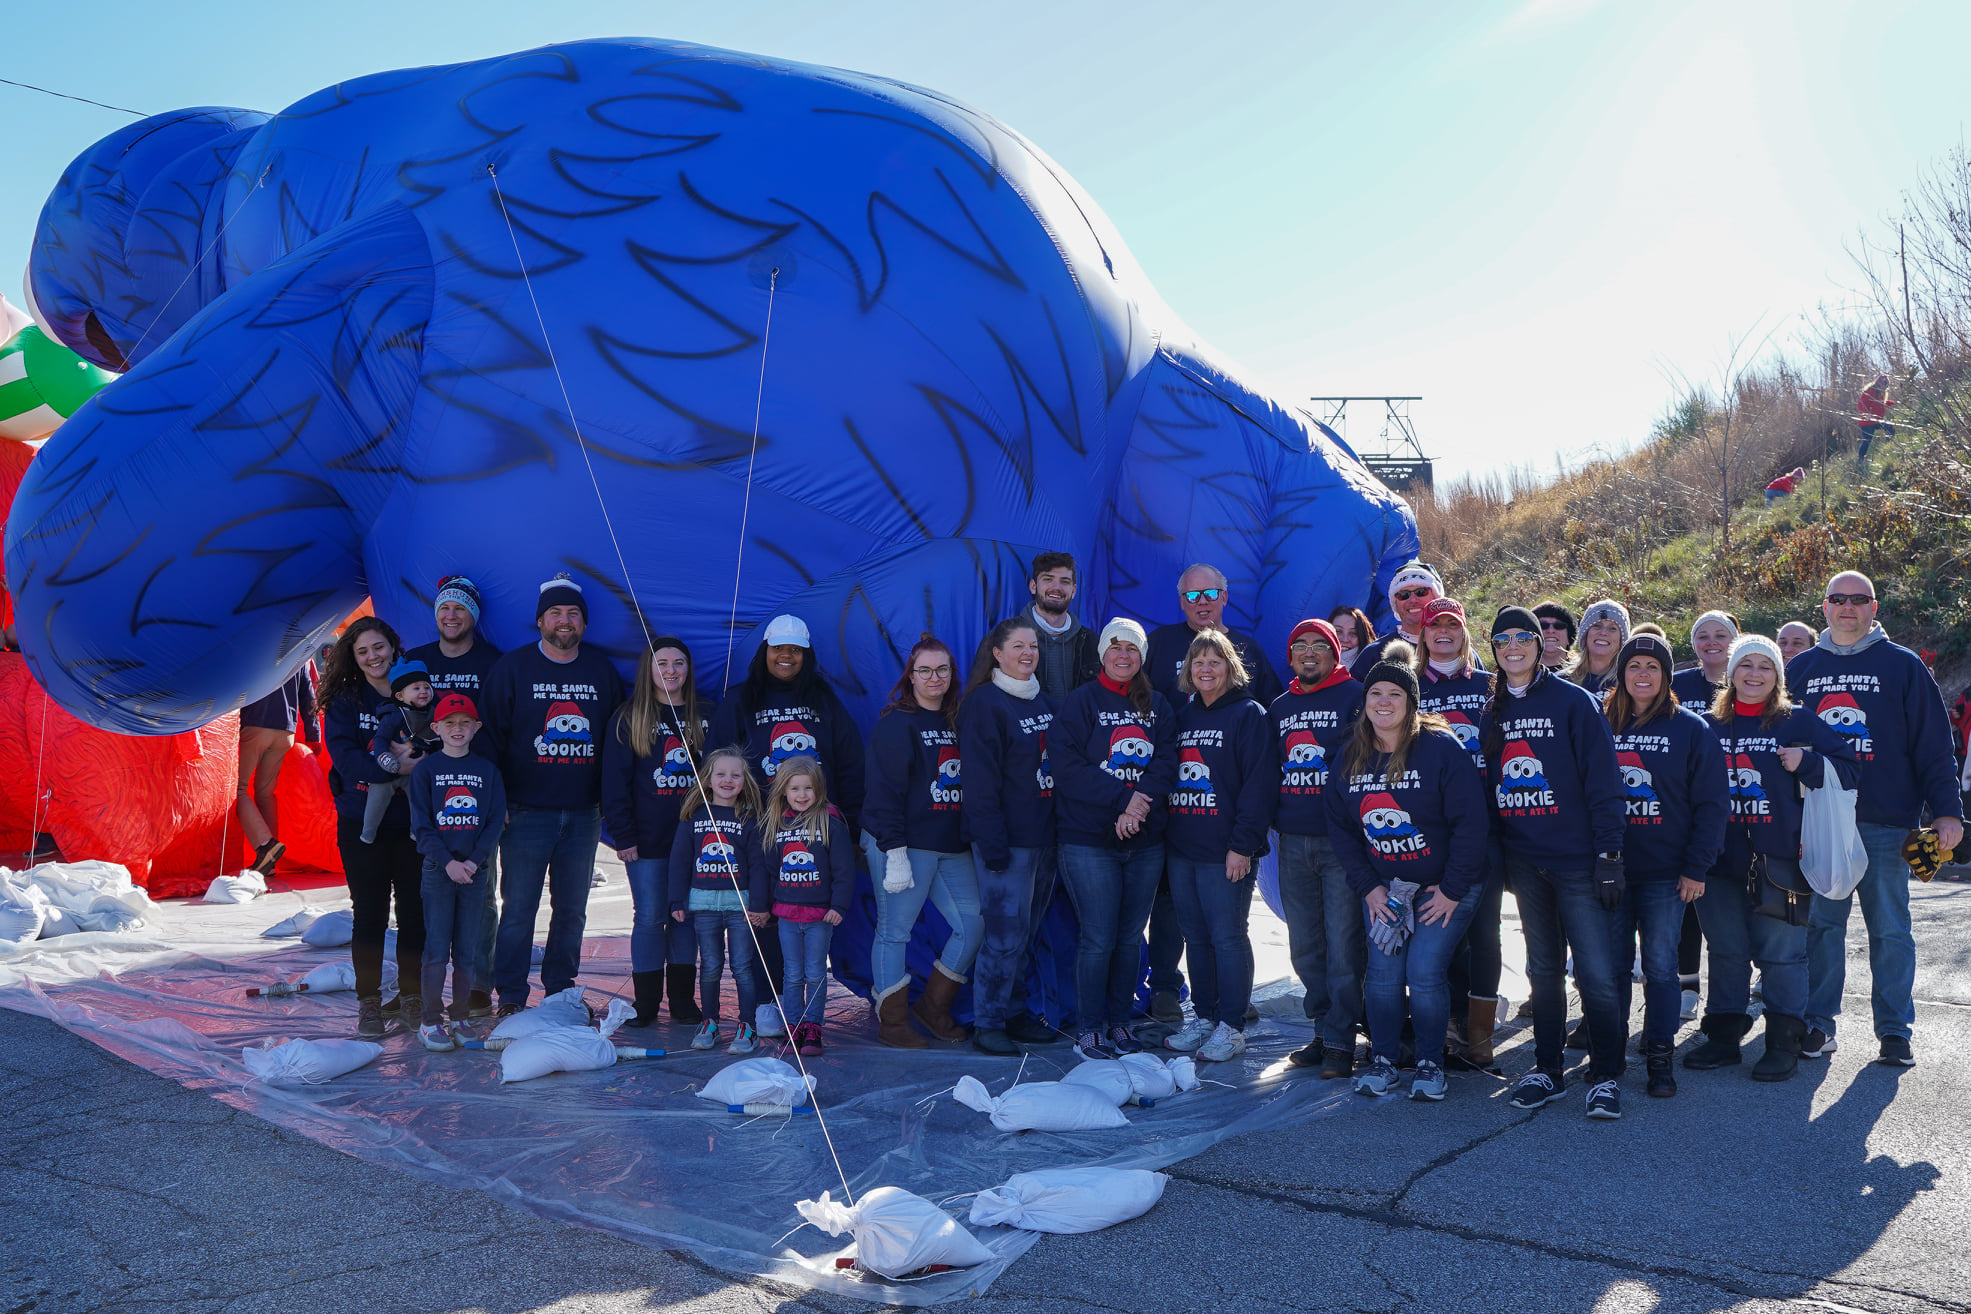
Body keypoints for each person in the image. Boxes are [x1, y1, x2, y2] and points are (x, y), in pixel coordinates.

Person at [1789, 571, 1964, 1066]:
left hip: (1886, 822)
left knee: (1890, 929)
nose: (1848, 607)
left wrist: (1948, 811)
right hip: (1820, 820)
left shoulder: (1903, 666)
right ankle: (1818, 1024)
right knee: (1822, 927)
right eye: (1838, 599)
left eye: (1858, 599)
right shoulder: (1801, 667)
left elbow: (1934, 746)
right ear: (1824, 607)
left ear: (1874, 606)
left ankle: (1894, 1031)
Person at [1687, 636, 1859, 1080]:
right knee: (1725, 951)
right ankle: (1723, 1038)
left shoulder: (1797, 720)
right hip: (1718, 861)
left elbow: (1852, 769)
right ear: (1731, 673)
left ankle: (1783, 1041)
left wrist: (1808, 761)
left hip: (1781, 860)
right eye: (1747, 665)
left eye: (1766, 667)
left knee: (1782, 956)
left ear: (1778, 677)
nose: (1755, 674)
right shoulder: (1706, 725)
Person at [1480, 607, 1627, 1119]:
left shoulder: (1575, 702)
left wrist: (1609, 855)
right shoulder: (1493, 708)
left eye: (1525, 637)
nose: (1514, 646)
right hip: (1526, 861)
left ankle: (1606, 1075)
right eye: (1503, 639)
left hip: (1580, 862)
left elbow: (1605, 783)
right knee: (1542, 971)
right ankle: (1548, 1068)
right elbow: (1491, 788)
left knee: (1596, 973)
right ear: (1494, 648)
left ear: (1542, 645)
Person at [1324, 644, 1489, 1101]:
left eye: (1394, 694)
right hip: (1387, 890)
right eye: (1374, 693)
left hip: (1447, 886)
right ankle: (1383, 1059)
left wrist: (1453, 890)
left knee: (1424, 969)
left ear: (1411, 703)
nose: (1382, 701)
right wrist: (1371, 889)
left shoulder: (1440, 748)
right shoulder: (1351, 755)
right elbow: (1341, 829)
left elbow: (1471, 825)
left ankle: (1431, 1064)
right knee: (1381, 974)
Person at [710, 613, 866, 1038]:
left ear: (805, 655)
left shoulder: (824, 699)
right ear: (766, 651)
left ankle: (805, 1015)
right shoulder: (741, 700)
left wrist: (849, 829)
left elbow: (850, 763)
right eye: (779, 648)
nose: (786, 657)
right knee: (764, 914)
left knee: (810, 920)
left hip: (814, 829)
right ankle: (768, 1001)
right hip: (759, 829)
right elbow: (719, 764)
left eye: (794, 650)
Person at [480, 574, 626, 1017]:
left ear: (584, 623)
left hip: (583, 814)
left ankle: (560, 991)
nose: (565, 622)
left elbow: (617, 742)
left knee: (572, 911)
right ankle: (509, 996)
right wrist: (498, 803)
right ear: (540, 620)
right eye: (556, 614)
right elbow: (489, 740)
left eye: (573, 614)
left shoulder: (600, 671)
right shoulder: (513, 668)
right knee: (519, 908)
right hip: (525, 813)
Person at [1602, 635, 1727, 1097]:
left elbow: (1713, 805)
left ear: (1666, 676)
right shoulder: (1601, 723)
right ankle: (1610, 1052)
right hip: (1609, 870)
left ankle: (1659, 1053)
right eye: (1634, 666)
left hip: (1665, 874)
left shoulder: (1691, 729)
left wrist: (1697, 868)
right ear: (1622, 674)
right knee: (1612, 967)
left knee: (1659, 966)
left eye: (1652, 667)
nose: (1642, 675)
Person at [1053, 618, 1179, 1057]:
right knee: (1098, 937)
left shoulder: (1159, 705)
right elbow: (1067, 767)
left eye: (1132, 648)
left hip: (1144, 842)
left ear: (1141, 656)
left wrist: (1138, 804)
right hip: (1088, 840)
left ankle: (1120, 1023)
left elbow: (1168, 760)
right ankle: (1090, 1028)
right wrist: (1123, 801)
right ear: (1103, 653)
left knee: (1129, 938)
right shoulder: (1080, 702)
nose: (1123, 655)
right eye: (1115, 647)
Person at [862, 635, 982, 1047]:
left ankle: (932, 1008)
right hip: (902, 844)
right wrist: (893, 849)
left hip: (951, 845)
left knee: (973, 925)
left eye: (943, 669)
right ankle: (892, 1023)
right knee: (894, 931)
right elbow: (882, 793)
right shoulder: (897, 724)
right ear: (910, 677)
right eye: (926, 670)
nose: (935, 677)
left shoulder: (957, 720)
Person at [1163, 630, 1276, 1063]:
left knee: (1228, 937)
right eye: (1198, 662)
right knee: (1196, 937)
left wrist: (1243, 846)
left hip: (1226, 849)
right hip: (1183, 848)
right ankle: (1206, 1018)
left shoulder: (1249, 715)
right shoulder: (1183, 715)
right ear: (1188, 671)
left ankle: (1232, 1025)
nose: (1206, 669)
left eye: (1215, 661)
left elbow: (1258, 787)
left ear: (1230, 666)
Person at [601, 636, 714, 1027]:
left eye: (679, 663)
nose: (671, 671)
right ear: (649, 669)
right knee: (649, 917)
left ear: (689, 668)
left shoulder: (706, 716)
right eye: (662, 663)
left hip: (699, 842)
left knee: (687, 917)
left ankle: (682, 999)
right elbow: (614, 784)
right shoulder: (629, 717)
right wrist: (623, 836)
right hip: (646, 839)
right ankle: (645, 1002)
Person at [958, 617, 1060, 1055]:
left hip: (1044, 841)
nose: (1027, 653)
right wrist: (993, 844)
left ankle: (1015, 1011)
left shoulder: (1045, 703)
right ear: (996, 653)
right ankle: (989, 1022)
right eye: (1018, 646)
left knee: (1029, 933)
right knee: (1002, 936)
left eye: (1033, 646)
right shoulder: (985, 704)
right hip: (1006, 844)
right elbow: (979, 784)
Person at [321, 617, 426, 1037]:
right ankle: (368, 1003)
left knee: (415, 913)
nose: (372, 657)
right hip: (361, 823)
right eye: (362, 651)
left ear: (393, 645)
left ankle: (412, 997)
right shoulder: (346, 700)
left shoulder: (417, 691)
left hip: (413, 824)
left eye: (378, 647)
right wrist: (397, 767)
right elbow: (344, 758)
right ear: (353, 657)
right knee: (369, 914)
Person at [1412, 599, 1504, 1070]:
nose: (1443, 632)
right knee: (1439, 926)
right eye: (1435, 625)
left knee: (1485, 929)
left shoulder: (1490, 685)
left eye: (1452, 625)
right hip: (1432, 827)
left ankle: (1480, 1034)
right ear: (1423, 634)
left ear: (1465, 633)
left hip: (1487, 822)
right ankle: (1446, 1025)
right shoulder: (1412, 687)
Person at [1270, 619, 1365, 1077]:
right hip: (1292, 839)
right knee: (1305, 943)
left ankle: (1343, 1042)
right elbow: (1269, 768)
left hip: (1339, 841)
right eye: (1299, 646)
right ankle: (1323, 1030)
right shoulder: (1280, 706)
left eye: (1319, 646)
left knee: (1343, 943)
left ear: (1334, 654)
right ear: (1290, 657)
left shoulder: (1355, 696)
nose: (1309, 653)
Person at [406, 575, 504, 1015]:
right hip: (428, 792)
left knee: (481, 898)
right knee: (427, 896)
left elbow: (505, 724)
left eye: (460, 609)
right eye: (445, 608)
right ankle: (422, 997)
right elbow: (397, 708)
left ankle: (477, 988)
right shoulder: (418, 659)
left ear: (473, 617)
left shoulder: (493, 661)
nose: (451, 615)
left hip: (480, 795)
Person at [407, 693, 506, 1051]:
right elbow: (421, 824)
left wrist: (475, 860)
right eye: (450, 723)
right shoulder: (426, 771)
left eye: (465, 723)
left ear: (476, 727)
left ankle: (460, 1016)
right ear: (436, 728)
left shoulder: (487, 771)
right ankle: (430, 1021)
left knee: (467, 950)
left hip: (474, 872)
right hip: (439, 870)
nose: (458, 729)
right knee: (436, 949)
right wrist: (448, 862)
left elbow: (494, 821)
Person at [668, 748, 766, 1054]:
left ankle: (747, 1025)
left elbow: (759, 865)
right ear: (708, 780)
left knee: (742, 966)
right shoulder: (693, 817)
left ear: (744, 780)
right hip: (704, 905)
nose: (728, 780)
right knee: (710, 965)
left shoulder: (749, 819)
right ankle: (709, 1022)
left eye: (735, 775)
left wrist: (760, 905)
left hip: (740, 906)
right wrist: (676, 901)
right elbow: (679, 861)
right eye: (721, 774)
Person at [758, 756, 853, 1055]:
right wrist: (764, 906)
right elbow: (770, 869)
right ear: (783, 790)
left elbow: (843, 870)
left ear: (819, 789)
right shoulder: (776, 823)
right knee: (791, 972)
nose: (802, 795)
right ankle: (794, 1024)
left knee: (814, 972)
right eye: (795, 788)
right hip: (787, 913)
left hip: (819, 915)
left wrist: (838, 905)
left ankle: (813, 1026)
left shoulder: (830, 822)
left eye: (808, 788)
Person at [1144, 563, 1284, 704]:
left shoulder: (1247, 648)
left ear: (1224, 597)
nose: (1203, 601)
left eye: (1211, 594)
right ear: (1182, 602)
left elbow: (1271, 707)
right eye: (1193, 596)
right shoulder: (1159, 642)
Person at [236, 669, 313, 877]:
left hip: (255, 722)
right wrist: (314, 735)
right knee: (265, 793)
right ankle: (269, 861)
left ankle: (265, 845)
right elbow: (308, 693)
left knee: (237, 790)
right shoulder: (302, 649)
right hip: (286, 729)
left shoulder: (251, 641)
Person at [995, 551, 1098, 699]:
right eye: (1048, 579)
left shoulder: (1092, 643)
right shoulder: (1002, 638)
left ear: (1074, 591)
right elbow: (983, 698)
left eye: (1064, 581)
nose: (1056, 587)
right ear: (1033, 586)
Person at [360, 660, 438, 843]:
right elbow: (380, 739)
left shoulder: (433, 714)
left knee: (420, 799)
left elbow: (438, 742)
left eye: (426, 687)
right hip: (389, 767)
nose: (423, 691)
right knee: (377, 795)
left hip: (416, 770)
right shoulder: (395, 715)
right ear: (400, 696)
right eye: (416, 688)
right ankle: (368, 831)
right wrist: (383, 756)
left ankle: (417, 829)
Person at [1350, 561, 1440, 676]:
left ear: (1437, 597)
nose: (1413, 599)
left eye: (1421, 592)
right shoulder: (1374, 654)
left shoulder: (1456, 646)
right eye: (1403, 594)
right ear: (1395, 604)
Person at [1565, 599, 1630, 696]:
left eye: (1612, 628)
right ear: (1585, 634)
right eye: (1597, 626)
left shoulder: (1630, 683)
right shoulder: (1562, 681)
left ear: (1621, 639)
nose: (1603, 633)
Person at [1672, 611, 1738, 706]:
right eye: (1703, 637)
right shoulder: (1674, 683)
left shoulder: (1748, 683)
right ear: (1693, 643)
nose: (1711, 642)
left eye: (1720, 636)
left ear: (1735, 641)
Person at [1856, 372, 1894, 467]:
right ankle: (1860, 460)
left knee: (1890, 427)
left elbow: (1880, 404)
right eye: (1884, 386)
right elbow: (1861, 404)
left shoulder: (1880, 394)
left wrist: (1891, 403)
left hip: (1877, 421)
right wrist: (1866, 412)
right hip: (1867, 422)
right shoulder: (1869, 392)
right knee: (1867, 441)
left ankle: (1888, 446)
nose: (1885, 388)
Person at [1328, 606, 1376, 674]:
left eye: (1353, 633)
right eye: (1338, 631)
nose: (1345, 639)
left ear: (1362, 636)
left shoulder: (1375, 669)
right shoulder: (1314, 668)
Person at [1531, 601, 1576, 671]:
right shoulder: (1514, 677)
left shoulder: (1585, 677)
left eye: (1559, 626)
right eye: (1542, 625)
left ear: (1569, 638)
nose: (1551, 630)